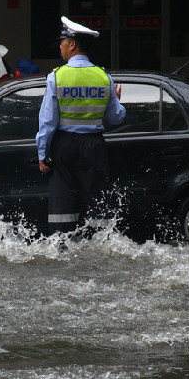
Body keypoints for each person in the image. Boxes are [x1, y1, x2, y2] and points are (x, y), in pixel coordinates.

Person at [36, 16, 126, 235]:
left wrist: (42, 152)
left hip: (64, 146)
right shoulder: (104, 78)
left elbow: (48, 121)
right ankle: (99, 246)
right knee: (98, 203)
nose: (60, 46)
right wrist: (116, 100)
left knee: (63, 203)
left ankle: (62, 243)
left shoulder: (56, 77)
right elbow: (116, 118)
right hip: (95, 147)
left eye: (62, 42)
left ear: (73, 44)